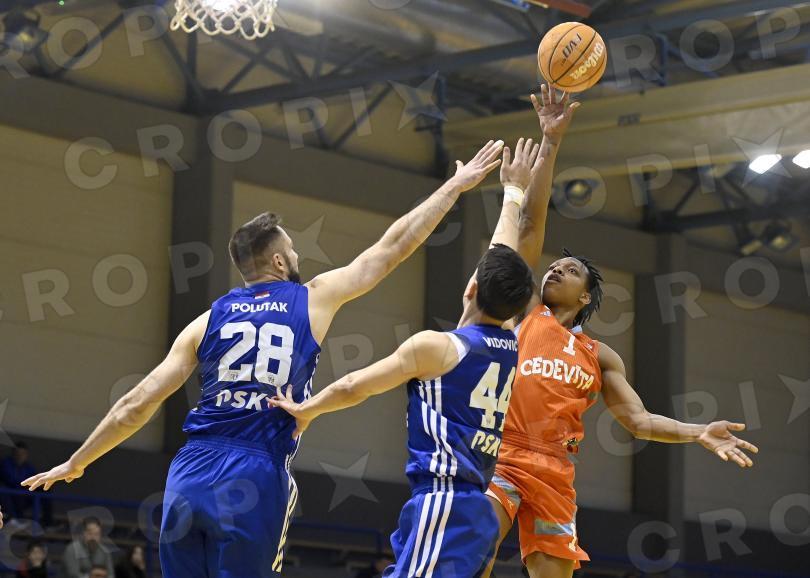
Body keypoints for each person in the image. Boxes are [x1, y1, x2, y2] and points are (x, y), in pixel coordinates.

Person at [21, 139, 505, 578]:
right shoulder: (312, 298)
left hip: (188, 472)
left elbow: (138, 402)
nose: (296, 256)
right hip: (253, 472)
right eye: (292, 249)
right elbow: (391, 248)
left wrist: (78, 462)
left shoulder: (207, 320)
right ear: (278, 261)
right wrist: (455, 186)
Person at [481, 85, 760, 578]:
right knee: (473, 553)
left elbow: (639, 421)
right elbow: (529, 224)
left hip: (556, 469)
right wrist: (550, 143)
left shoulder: (600, 356)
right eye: (554, 267)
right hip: (504, 454)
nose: (555, 270)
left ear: (585, 298)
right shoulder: (525, 313)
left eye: (569, 271)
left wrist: (698, 432)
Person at [272, 140, 542, 577]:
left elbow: (354, 386)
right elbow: (502, 255)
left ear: (471, 288)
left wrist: (308, 410)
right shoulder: (510, 341)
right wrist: (513, 192)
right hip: (474, 507)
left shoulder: (437, 348)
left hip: (444, 501)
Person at [0, 442, 52, 528]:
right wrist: (23, 484)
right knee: (6, 492)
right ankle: (15, 519)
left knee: (45, 489)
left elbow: (34, 480)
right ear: (13, 453)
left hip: (24, 495)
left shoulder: (28, 467)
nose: (20, 456)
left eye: (23, 454)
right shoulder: (6, 463)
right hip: (9, 495)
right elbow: (10, 480)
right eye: (17, 453)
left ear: (26, 455)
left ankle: (48, 523)